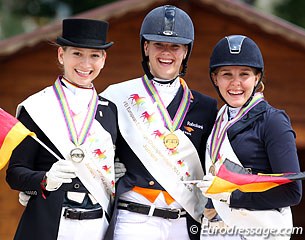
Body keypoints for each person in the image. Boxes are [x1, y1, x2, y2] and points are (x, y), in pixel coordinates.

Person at [101, 5, 218, 240]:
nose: (166, 53)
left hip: (182, 222)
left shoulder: (206, 107)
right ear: (146, 47)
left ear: (185, 51)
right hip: (134, 220)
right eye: (158, 45)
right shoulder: (116, 96)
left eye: (175, 46)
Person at [6, 18, 118, 240]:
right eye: (77, 53)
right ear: (61, 55)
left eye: (94, 55)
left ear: (103, 59)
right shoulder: (37, 106)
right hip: (50, 225)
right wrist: (46, 179)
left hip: (97, 227)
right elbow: (15, 174)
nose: (86, 64)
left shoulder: (110, 110)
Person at [197, 35, 302, 239]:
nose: (235, 83)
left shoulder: (273, 121)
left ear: (257, 78)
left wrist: (232, 197)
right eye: (227, 74)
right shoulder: (218, 119)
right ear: (215, 78)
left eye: (244, 74)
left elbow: (292, 192)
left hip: (259, 232)